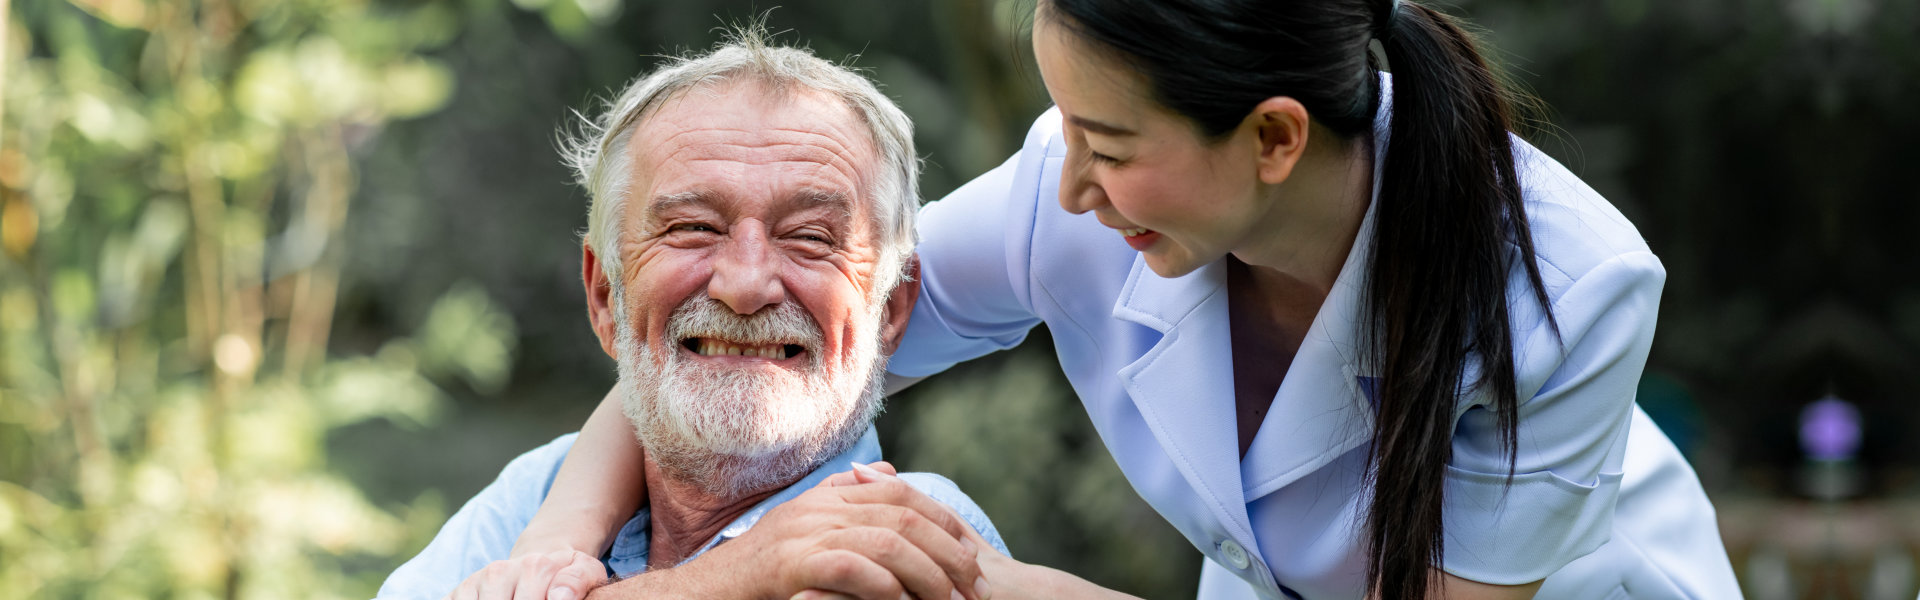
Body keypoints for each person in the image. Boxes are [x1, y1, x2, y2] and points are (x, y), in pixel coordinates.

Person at [515, 1, 1745, 598]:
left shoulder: (1567, 292)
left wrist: (966, 581)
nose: (1068, 185)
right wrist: (556, 551)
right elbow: (753, 335)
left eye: (1105, 140)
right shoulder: (1080, 190)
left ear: (1273, 137)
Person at [373, 31, 1009, 600]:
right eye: (694, 227)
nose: (746, 284)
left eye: (812, 237)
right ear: (604, 297)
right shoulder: (537, 492)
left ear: (892, 308)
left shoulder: (915, 529)